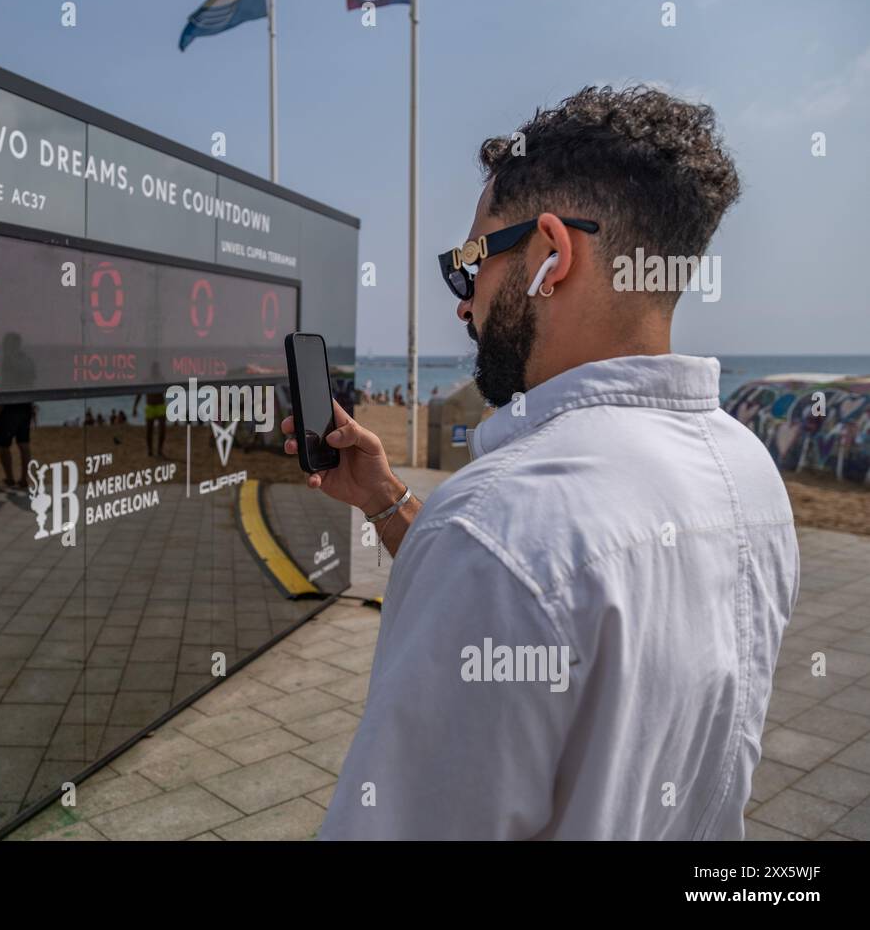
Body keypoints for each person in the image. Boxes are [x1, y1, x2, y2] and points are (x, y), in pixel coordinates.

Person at [287, 86, 798, 840]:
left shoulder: (495, 529)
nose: (463, 303)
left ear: (551, 256)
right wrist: (389, 500)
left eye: (468, 264)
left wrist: (452, 532)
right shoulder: (750, 474)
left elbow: (521, 568)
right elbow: (563, 596)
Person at [0, 401, 34, 492]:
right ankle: (23, 480)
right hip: (25, 406)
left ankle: (10, 479)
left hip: (10, 407)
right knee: (24, 445)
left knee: (3, 446)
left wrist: (0, 405)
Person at [132, 361, 168, 457]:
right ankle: (150, 450)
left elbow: (168, 391)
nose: (155, 370)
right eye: (154, 368)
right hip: (150, 406)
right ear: (151, 370)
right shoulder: (146, 380)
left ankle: (160, 450)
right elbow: (139, 394)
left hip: (160, 405)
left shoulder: (161, 379)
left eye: (157, 368)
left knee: (162, 429)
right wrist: (135, 407)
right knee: (149, 430)